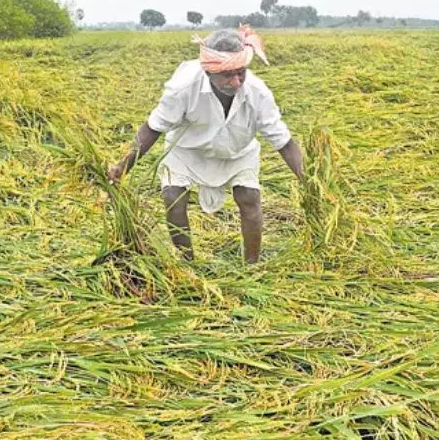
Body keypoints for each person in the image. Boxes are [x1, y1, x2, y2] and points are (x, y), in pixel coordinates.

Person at [107, 25, 305, 263]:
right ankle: (187, 263)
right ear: (209, 72)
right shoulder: (183, 88)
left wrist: (309, 179)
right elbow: (153, 128)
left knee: (249, 198)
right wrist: (123, 166)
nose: (236, 81)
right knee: (173, 197)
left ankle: (252, 266)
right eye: (227, 75)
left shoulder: (258, 93)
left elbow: (283, 141)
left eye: (240, 72)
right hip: (187, 149)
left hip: (237, 151)